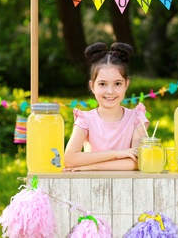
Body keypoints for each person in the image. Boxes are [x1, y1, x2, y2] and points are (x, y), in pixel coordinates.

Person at [64, 42, 149, 171]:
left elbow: (138, 162)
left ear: (126, 84)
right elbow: (69, 159)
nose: (110, 91)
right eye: (103, 84)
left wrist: (93, 167)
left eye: (117, 84)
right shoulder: (85, 120)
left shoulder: (136, 118)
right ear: (92, 86)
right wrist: (117, 154)